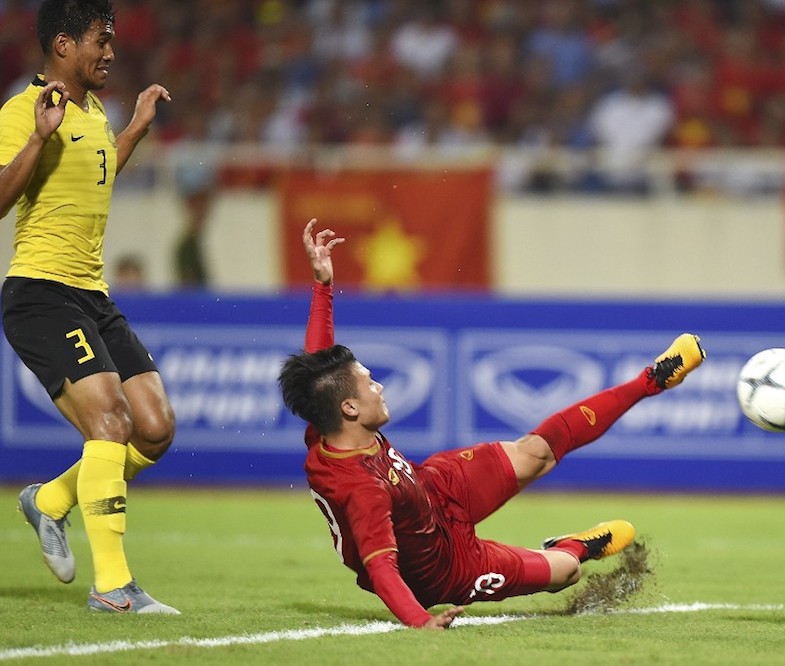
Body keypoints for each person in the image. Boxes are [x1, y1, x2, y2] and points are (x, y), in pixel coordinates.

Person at [278, 219, 706, 629]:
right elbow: (381, 567)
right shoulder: (360, 487)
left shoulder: (328, 421)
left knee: (535, 453)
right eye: (370, 383)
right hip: (447, 569)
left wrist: (323, 285)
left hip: (433, 488)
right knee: (566, 572)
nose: (380, 387)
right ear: (350, 408)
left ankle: (651, 380)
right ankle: (573, 545)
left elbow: (319, 369)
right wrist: (420, 621)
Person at [0, 0, 178, 614]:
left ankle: (49, 501)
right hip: (41, 292)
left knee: (154, 428)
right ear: (62, 45)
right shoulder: (22, 110)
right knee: (109, 424)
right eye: (100, 41)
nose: (110, 52)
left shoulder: (96, 112)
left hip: (91, 295)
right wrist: (38, 137)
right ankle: (113, 588)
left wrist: (135, 130)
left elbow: (95, 179)